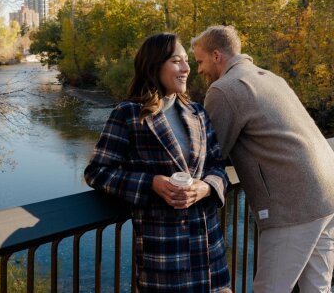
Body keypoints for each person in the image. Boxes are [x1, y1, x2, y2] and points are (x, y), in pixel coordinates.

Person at [191, 25, 334, 293]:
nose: (198, 70)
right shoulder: (271, 78)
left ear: (216, 56)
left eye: (199, 61)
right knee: (318, 289)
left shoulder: (225, 89)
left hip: (294, 205)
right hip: (330, 192)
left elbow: (207, 153)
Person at [84, 33, 232, 293]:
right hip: (164, 254)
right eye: (177, 61)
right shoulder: (129, 114)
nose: (186, 68)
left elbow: (218, 167)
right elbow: (97, 171)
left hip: (209, 249)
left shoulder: (197, 113)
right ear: (154, 66)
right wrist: (150, 183)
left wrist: (206, 187)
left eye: (187, 61)